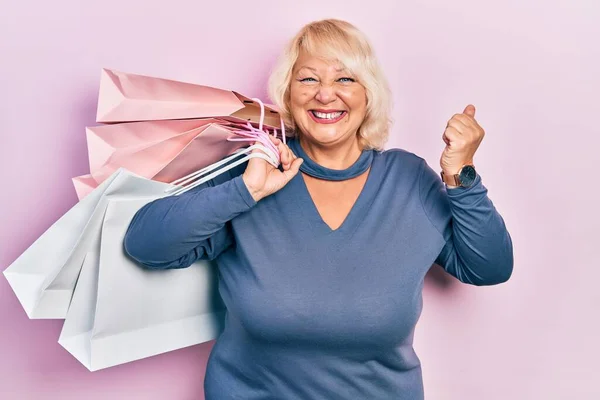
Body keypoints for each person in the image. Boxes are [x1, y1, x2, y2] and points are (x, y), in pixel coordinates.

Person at [123, 18, 513, 400]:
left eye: (345, 78)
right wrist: (245, 190)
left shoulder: (408, 178)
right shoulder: (254, 168)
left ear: (368, 94)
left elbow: (489, 267)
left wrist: (460, 174)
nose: (326, 94)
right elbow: (146, 245)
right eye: (309, 79)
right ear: (288, 94)